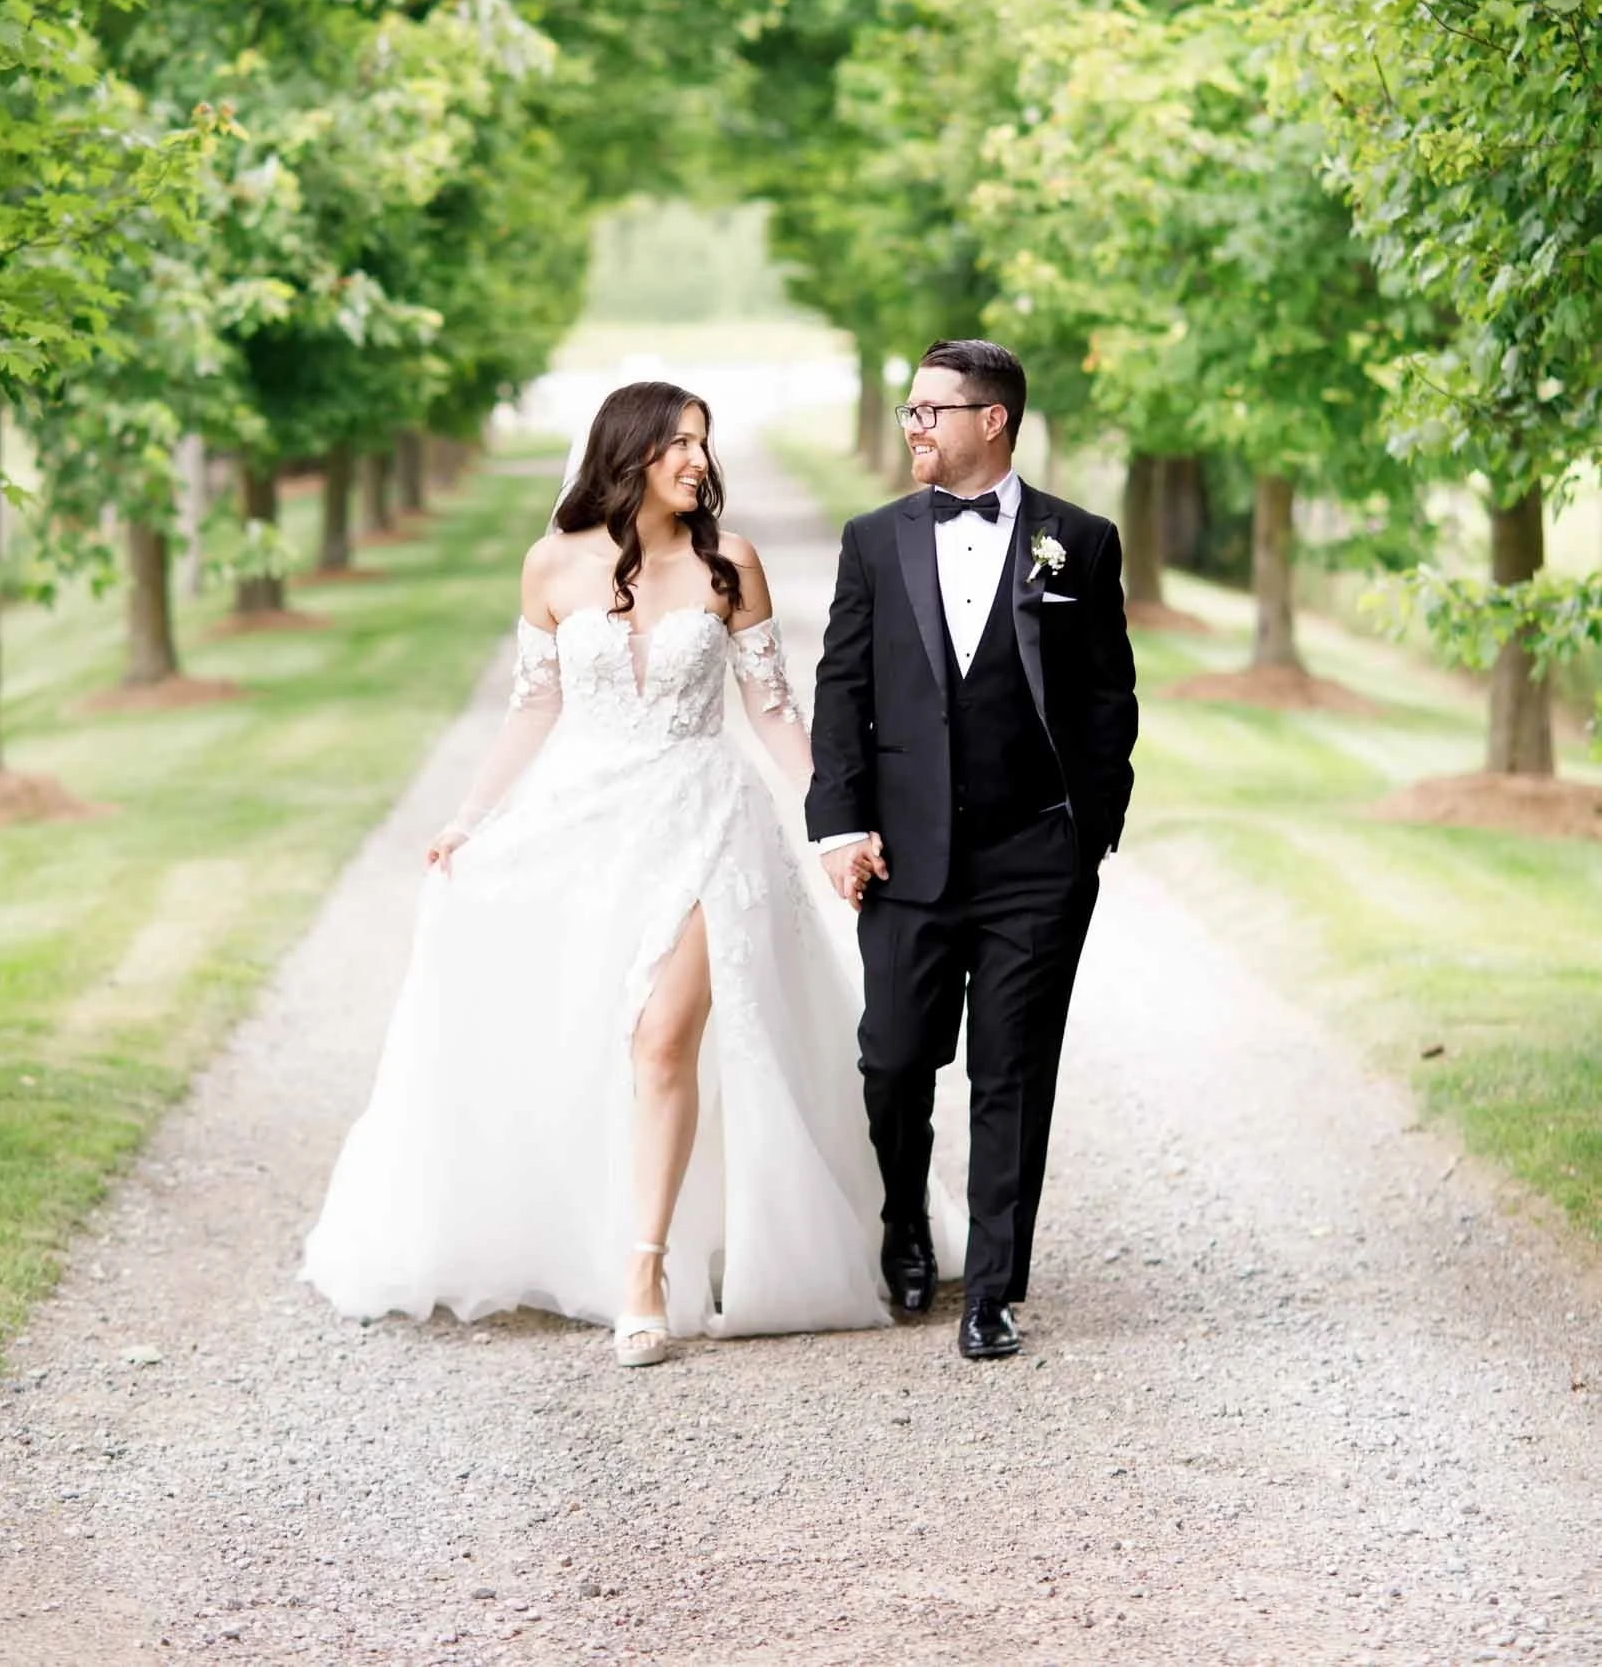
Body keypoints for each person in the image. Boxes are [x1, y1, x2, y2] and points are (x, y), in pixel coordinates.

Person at [303, 382, 886, 1364]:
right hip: (587, 821)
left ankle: (643, 1269)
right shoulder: (552, 565)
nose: (697, 461)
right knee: (586, 1032)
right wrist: (466, 819)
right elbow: (533, 707)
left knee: (664, 1038)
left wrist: (834, 823)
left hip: (708, 816)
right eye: (677, 445)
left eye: (703, 443)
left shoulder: (729, 564)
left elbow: (772, 708)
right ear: (629, 452)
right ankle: (594, 1225)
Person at [807, 339, 1138, 1360]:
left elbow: (1103, 695)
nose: (912, 426)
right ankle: (903, 1216)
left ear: (988, 420)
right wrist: (839, 821)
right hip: (903, 858)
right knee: (893, 1059)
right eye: (909, 411)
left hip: (1035, 860)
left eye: (927, 411)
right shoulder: (873, 540)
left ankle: (991, 1289)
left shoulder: (1075, 541)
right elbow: (842, 692)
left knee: (1011, 1073)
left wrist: (1089, 831)